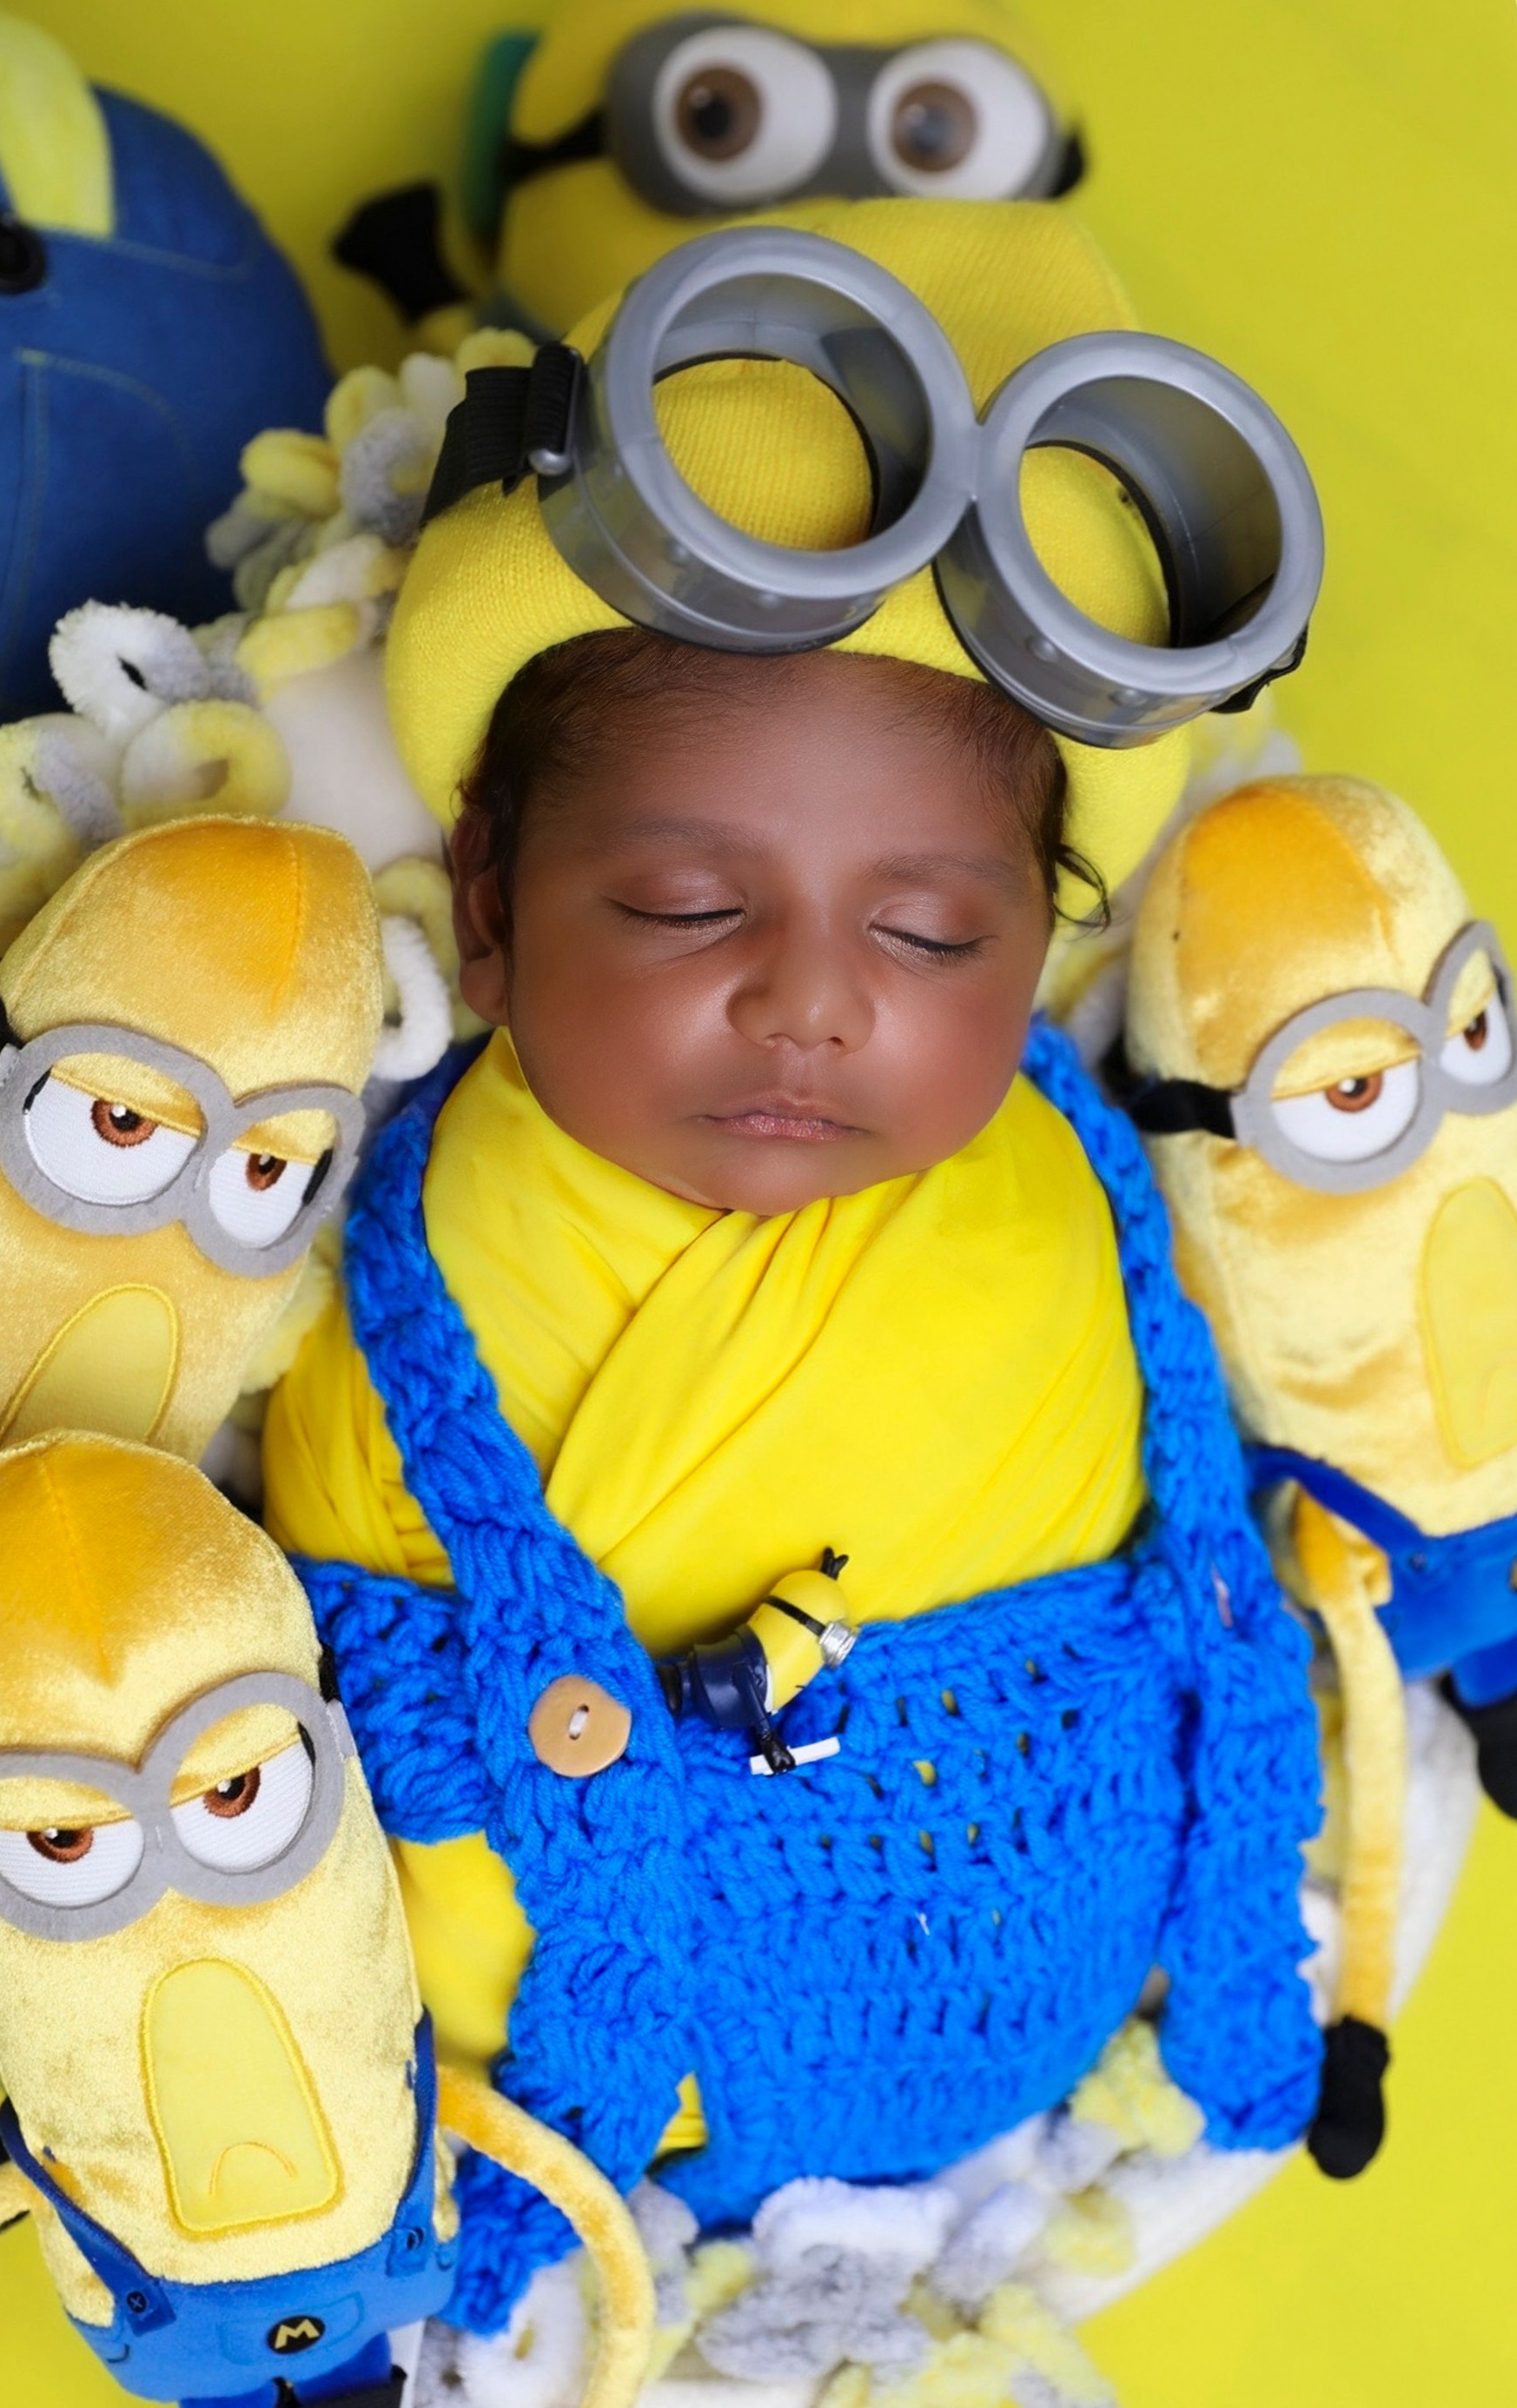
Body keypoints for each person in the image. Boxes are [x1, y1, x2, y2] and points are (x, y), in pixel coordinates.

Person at [262, 202, 1327, 2329]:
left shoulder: (1076, 1175)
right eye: (683, 906)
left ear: (1042, 942)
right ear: (488, 907)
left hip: (1051, 1980)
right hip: (558, 2099)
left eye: (931, 932)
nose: (814, 1004)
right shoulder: (381, 1240)